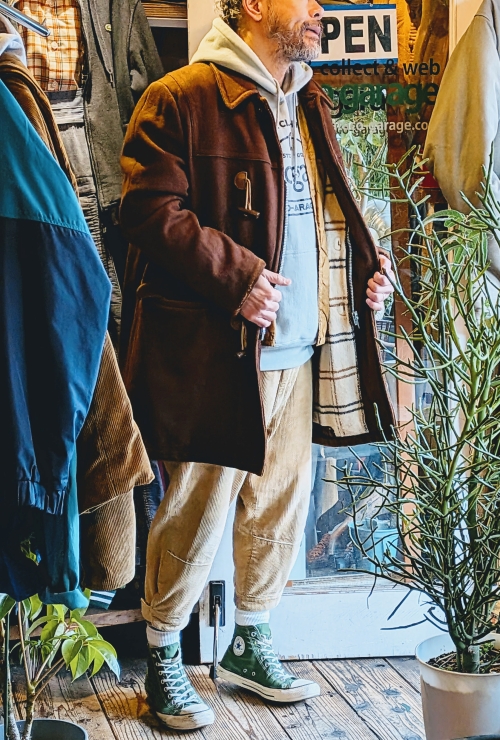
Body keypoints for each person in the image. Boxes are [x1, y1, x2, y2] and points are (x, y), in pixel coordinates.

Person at [120, 0, 395, 730]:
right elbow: (147, 209)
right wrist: (236, 277)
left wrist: (368, 268)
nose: (319, 9)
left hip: (301, 344)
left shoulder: (309, 99)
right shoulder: (181, 98)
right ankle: (163, 651)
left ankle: (250, 639)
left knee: (280, 501)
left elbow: (329, 213)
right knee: (196, 507)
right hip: (220, 352)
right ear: (250, 6)